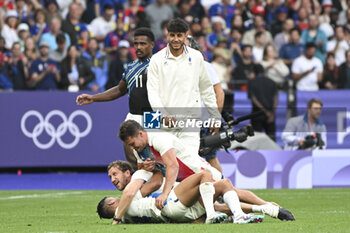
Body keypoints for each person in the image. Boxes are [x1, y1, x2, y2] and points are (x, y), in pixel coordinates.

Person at [97, 160, 295, 224]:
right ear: (113, 204)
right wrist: (155, 165)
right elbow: (156, 181)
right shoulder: (130, 195)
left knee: (226, 188)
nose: (113, 181)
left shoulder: (129, 210)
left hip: (178, 204)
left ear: (127, 173)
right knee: (211, 180)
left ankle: (268, 209)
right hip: (175, 201)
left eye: (114, 175)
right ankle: (219, 215)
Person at [76, 27, 155, 169]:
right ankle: (140, 187)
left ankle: (162, 188)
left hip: (153, 115)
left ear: (152, 45)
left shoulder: (159, 65)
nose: (138, 47)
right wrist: (93, 98)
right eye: (136, 44)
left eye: (143, 43)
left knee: (156, 156)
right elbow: (119, 89)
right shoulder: (131, 67)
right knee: (131, 154)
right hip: (134, 115)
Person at [147, 18, 221, 157]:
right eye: (172, 35)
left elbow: (206, 89)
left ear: (186, 36)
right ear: (167, 35)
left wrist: (215, 116)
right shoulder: (156, 60)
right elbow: (152, 92)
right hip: (165, 122)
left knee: (190, 161)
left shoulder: (196, 57)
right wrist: (163, 114)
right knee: (168, 165)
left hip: (191, 120)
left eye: (179, 35)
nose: (175, 39)